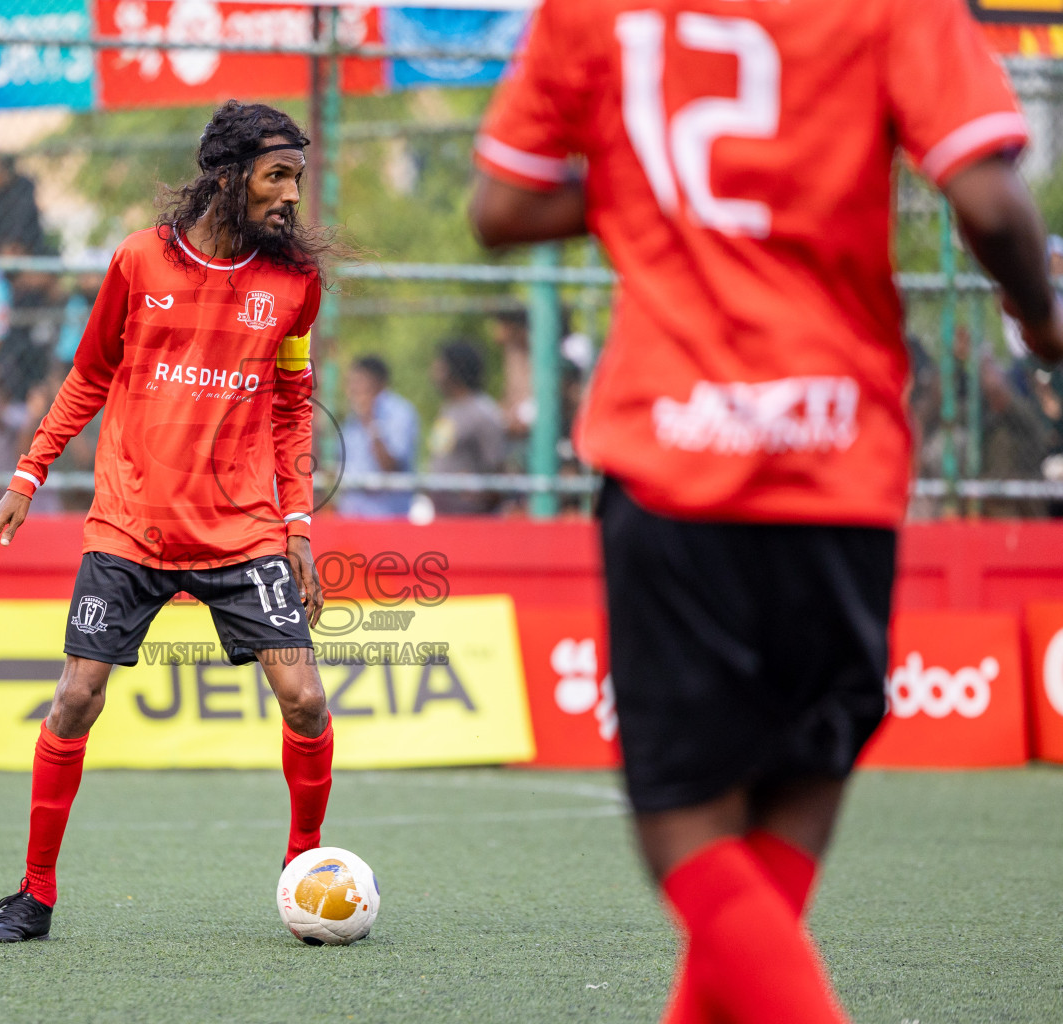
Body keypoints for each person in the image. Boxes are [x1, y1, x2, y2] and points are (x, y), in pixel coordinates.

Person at [468, 0, 1062, 1021]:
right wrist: (1040, 321)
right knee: (796, 795)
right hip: (841, 460)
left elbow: (500, 209)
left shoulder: (593, 10)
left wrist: (648, 195)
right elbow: (992, 204)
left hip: (671, 458)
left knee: (686, 828)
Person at [0, 100, 339, 943]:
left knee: (307, 700)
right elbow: (89, 374)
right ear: (226, 176)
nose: (290, 196)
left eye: (297, 179)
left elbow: (292, 409)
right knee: (74, 698)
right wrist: (28, 475)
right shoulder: (138, 262)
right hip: (131, 527)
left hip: (242, 534)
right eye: (276, 177)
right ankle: (33, 896)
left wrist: (299, 530)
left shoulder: (294, 286)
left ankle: (302, 869)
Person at [426, 340, 505, 515]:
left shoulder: (482, 412)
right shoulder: (449, 408)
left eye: (440, 366)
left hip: (472, 520)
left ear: (454, 369)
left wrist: (480, 492)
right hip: (443, 514)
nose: (434, 372)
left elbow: (497, 468)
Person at [337, 354, 418, 518]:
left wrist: (371, 421)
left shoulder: (400, 412)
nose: (352, 389)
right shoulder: (352, 419)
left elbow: (390, 465)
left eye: (358, 382)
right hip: (351, 517)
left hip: (387, 518)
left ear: (377, 383)